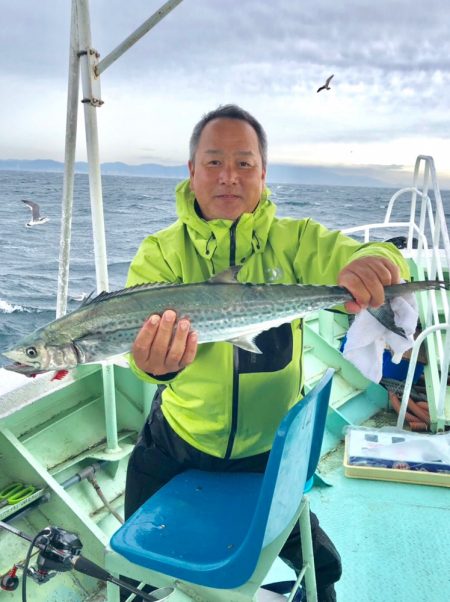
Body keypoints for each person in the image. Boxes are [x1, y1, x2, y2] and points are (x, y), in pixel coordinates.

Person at [124, 104, 409, 601]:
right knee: (134, 569)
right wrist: (152, 367)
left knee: (325, 569)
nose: (228, 177)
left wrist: (375, 260)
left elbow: (376, 253)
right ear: (191, 171)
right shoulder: (161, 252)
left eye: (244, 163)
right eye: (213, 162)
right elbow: (139, 354)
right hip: (178, 440)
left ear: (263, 172)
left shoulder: (296, 241)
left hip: (269, 451)